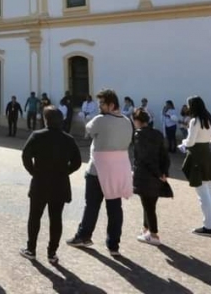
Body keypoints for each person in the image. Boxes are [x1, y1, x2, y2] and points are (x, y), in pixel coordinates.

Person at [67, 89, 133, 256]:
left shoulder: (100, 120)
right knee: (115, 207)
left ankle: (84, 236)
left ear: (111, 105)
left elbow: (89, 129)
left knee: (92, 205)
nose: (99, 107)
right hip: (118, 169)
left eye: (102, 104)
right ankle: (113, 245)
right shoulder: (127, 121)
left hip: (98, 169)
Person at [19, 107, 81, 264]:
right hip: (60, 183)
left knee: (35, 217)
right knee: (56, 219)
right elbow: (77, 162)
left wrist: (33, 171)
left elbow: (25, 155)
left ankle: (31, 249)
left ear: (46, 120)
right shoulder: (68, 139)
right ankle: (52, 252)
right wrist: (65, 171)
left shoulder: (37, 136)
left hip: (41, 181)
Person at [180, 96, 211, 235]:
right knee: (209, 190)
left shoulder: (195, 121)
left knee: (202, 193)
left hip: (197, 156)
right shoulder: (209, 119)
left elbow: (190, 142)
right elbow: (208, 138)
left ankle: (208, 226)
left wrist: (183, 143)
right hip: (207, 154)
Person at [132, 108, 170, 245]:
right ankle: (146, 228)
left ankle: (153, 234)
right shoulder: (158, 134)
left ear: (137, 121)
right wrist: (164, 172)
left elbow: (142, 157)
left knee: (148, 205)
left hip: (145, 174)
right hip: (157, 174)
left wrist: (158, 173)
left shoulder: (138, 135)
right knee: (149, 203)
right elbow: (164, 155)